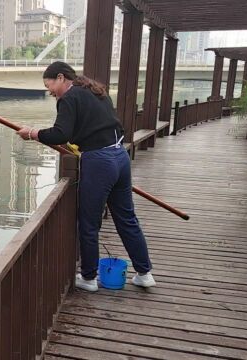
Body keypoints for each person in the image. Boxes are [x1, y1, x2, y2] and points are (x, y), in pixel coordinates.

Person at [16, 61, 155, 292]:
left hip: (99, 162)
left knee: (89, 223)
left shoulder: (68, 98)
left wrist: (32, 133)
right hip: (120, 157)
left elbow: (61, 133)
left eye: (48, 84)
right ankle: (144, 273)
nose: (49, 90)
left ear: (61, 78)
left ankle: (89, 278)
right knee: (127, 218)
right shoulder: (96, 91)